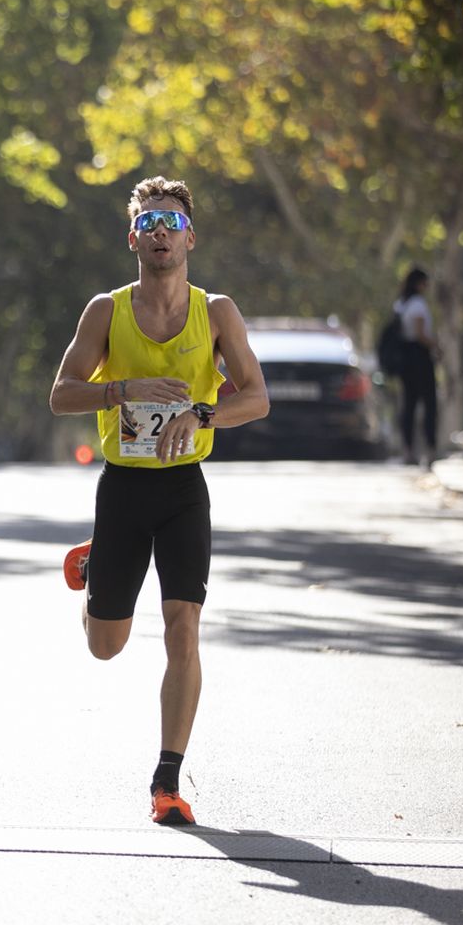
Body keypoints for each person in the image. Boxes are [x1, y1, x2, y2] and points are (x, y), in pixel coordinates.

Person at [47, 175, 269, 826]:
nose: (161, 232)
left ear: (191, 235)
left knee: (184, 627)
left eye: (171, 221)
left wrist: (203, 412)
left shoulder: (217, 312)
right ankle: (96, 575)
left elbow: (256, 396)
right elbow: (61, 392)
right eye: (149, 224)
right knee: (106, 646)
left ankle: (166, 780)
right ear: (133, 239)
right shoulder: (106, 312)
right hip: (122, 486)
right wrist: (121, 388)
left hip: (181, 491)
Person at [393, 267, 438, 466]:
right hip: (419, 356)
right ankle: (430, 448)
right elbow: (420, 334)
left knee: (408, 405)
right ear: (420, 284)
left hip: (404, 357)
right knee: (429, 403)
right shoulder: (418, 304)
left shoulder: (400, 304)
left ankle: (408, 449)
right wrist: (436, 346)